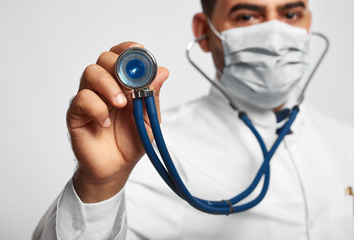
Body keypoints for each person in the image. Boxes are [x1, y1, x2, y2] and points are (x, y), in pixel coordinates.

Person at [33, 0, 354, 239]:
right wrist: (98, 187)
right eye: (247, 16)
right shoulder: (154, 151)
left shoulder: (346, 142)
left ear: (309, 21)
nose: (274, 34)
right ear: (204, 31)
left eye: (291, 14)